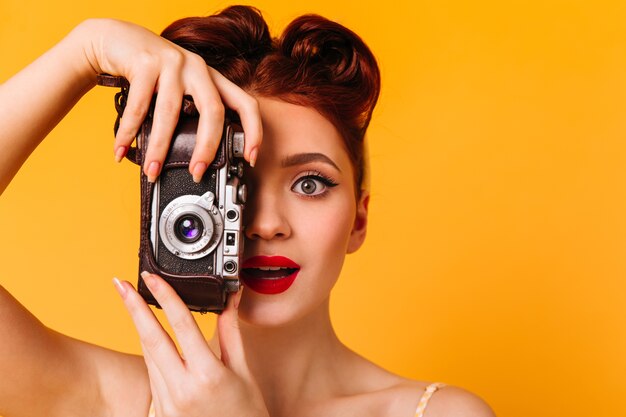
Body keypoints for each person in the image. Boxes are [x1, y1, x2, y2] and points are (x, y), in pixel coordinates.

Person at [0, 5, 496, 417]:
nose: (263, 224)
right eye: (232, 181)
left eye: (309, 183)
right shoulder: (121, 401)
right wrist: (85, 49)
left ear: (358, 220)